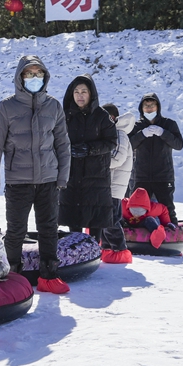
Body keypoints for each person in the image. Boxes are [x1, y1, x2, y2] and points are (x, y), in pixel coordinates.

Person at [0, 54, 71, 294]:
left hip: (48, 179)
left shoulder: (54, 106)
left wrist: (62, 176)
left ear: (45, 77)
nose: (34, 77)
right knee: (16, 230)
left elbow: (63, 144)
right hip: (18, 181)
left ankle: (49, 275)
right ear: (20, 77)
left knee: (48, 228)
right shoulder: (6, 106)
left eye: (38, 73)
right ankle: (13, 278)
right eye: (29, 73)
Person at [58, 75, 117, 244]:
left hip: (96, 176)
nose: (80, 95)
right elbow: (55, 139)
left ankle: (94, 251)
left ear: (91, 94)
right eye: (76, 91)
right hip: (71, 174)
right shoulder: (65, 116)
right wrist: (69, 150)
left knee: (95, 218)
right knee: (73, 217)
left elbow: (111, 142)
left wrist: (90, 149)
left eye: (84, 91)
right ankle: (75, 252)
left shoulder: (101, 116)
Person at [129, 92, 183, 224]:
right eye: (146, 106)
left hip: (163, 176)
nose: (149, 108)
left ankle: (174, 234)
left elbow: (178, 145)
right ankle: (138, 236)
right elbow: (128, 146)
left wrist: (163, 133)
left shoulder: (169, 124)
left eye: (152, 105)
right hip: (141, 176)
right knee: (137, 210)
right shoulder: (136, 126)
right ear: (141, 108)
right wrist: (141, 134)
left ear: (157, 107)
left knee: (168, 208)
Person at [100, 103, 135, 264]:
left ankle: (120, 250)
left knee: (110, 219)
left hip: (114, 185)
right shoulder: (112, 133)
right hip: (109, 185)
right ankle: (108, 249)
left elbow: (117, 159)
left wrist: (97, 163)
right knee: (106, 219)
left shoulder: (119, 134)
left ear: (112, 118)